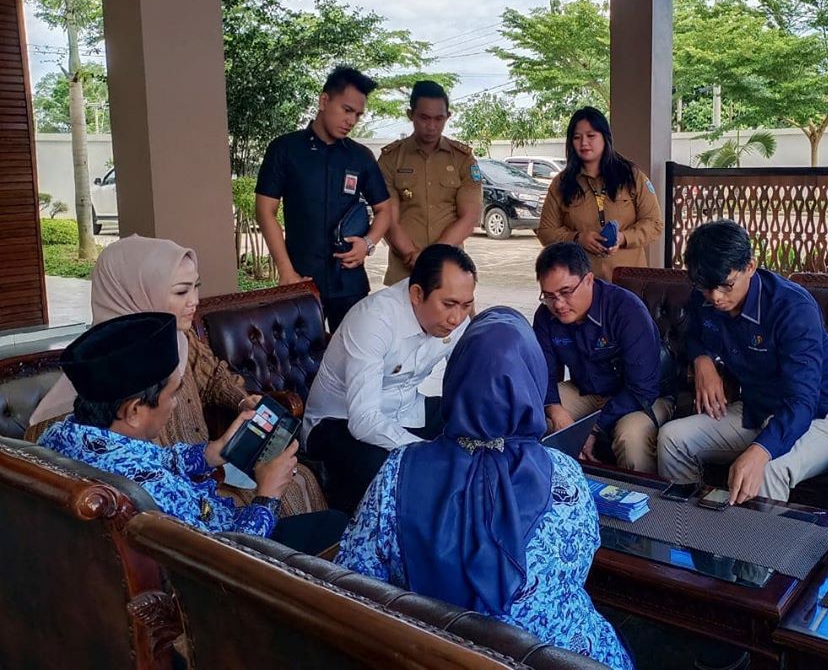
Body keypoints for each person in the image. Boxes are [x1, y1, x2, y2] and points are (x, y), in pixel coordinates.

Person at [335, 307, 634, 670]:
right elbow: (577, 570)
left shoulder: (398, 471)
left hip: (429, 656)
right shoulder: (564, 475)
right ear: (533, 379)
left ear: (456, 377)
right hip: (559, 659)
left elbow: (354, 579)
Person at [25, 234, 326, 515]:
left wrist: (241, 402)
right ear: (135, 293)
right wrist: (265, 497)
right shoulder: (99, 376)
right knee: (285, 492)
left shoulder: (181, 340)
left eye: (196, 286)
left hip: (202, 464)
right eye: (181, 291)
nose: (194, 301)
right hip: (173, 500)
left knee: (299, 477)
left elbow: (215, 377)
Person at [38, 312, 346, 555]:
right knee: (337, 528)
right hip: (236, 559)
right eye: (173, 394)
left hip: (207, 538)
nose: (175, 404)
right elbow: (224, 559)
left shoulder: (58, 436)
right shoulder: (150, 491)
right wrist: (268, 495)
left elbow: (154, 459)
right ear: (133, 411)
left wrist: (213, 451)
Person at [658, 220, 828, 504]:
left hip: (824, 419)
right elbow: (694, 334)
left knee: (766, 469)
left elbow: (802, 402)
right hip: (757, 411)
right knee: (672, 439)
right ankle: (684, 525)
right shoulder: (704, 293)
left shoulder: (792, 308)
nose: (716, 297)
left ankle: (757, 537)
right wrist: (702, 360)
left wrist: (761, 450)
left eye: (726, 286)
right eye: (705, 287)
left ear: (751, 267)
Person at [303, 244, 476, 512]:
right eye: (448, 304)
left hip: (406, 409)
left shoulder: (456, 318)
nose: (457, 318)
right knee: (392, 471)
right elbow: (363, 420)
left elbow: (468, 382)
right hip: (338, 421)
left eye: (466, 306)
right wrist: (428, 452)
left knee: (474, 428)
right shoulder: (374, 320)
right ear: (417, 294)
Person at [255, 66, 392, 332]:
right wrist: (286, 271)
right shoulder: (285, 149)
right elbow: (265, 210)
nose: (351, 120)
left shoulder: (360, 156)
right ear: (324, 100)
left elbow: (385, 209)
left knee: (352, 352)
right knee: (301, 356)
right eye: (346, 110)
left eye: (358, 114)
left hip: (349, 281)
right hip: (302, 279)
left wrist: (367, 244)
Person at [533, 241, 670, 473]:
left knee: (630, 438)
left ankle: (639, 495)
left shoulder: (626, 310)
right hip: (586, 391)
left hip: (641, 396)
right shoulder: (546, 316)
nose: (558, 304)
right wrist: (555, 409)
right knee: (535, 417)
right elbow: (541, 371)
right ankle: (559, 487)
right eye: (548, 295)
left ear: (588, 280)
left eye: (566, 292)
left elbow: (643, 387)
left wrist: (595, 429)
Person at [537, 106, 662, 280]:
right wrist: (577, 238)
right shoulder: (562, 183)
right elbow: (546, 232)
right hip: (581, 282)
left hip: (628, 281)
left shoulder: (632, 176)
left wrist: (623, 238)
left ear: (605, 137)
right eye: (577, 137)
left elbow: (654, 224)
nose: (583, 143)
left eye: (591, 136)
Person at [377, 80, 482, 285]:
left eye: (439, 119)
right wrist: (411, 254)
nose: (432, 126)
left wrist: (433, 257)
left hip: (449, 271)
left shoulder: (463, 159)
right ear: (411, 115)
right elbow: (387, 217)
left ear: (448, 116)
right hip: (404, 271)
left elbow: (470, 217)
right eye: (424, 118)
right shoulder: (391, 159)